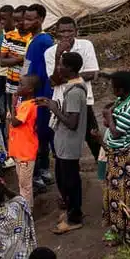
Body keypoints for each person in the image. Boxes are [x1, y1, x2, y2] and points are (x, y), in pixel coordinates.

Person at [37, 51, 87, 235]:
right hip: (65, 143)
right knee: (66, 179)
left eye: (61, 64)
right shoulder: (74, 87)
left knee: (70, 181)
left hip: (69, 144)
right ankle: (71, 212)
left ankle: (74, 218)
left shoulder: (74, 92)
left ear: (70, 68)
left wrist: (54, 109)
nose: (58, 68)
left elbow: (72, 123)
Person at [44, 17, 101, 160]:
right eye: (63, 31)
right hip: (61, 101)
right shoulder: (50, 52)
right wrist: (58, 56)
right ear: (57, 33)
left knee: (93, 137)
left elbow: (93, 73)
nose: (66, 34)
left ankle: (104, 171)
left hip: (83, 100)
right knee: (64, 140)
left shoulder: (86, 45)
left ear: (76, 31)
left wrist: (62, 78)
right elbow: (53, 82)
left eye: (70, 30)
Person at [101, 71, 130, 245]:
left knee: (121, 194)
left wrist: (109, 117)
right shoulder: (125, 99)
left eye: (113, 88)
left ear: (120, 89)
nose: (112, 91)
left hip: (124, 157)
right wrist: (110, 118)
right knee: (115, 192)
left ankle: (123, 232)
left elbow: (117, 132)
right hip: (117, 155)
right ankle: (119, 229)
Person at [21, 6, 55, 190]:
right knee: (38, 133)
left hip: (39, 94)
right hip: (33, 92)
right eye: (25, 19)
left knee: (39, 133)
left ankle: (40, 171)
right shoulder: (33, 41)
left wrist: (29, 91)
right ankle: (42, 170)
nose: (26, 23)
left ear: (41, 19)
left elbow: (43, 71)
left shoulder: (44, 41)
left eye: (30, 19)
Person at [0, 8, 36, 148]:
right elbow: (2, 61)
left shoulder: (32, 38)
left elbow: (30, 61)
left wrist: (13, 58)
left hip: (27, 88)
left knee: (26, 119)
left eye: (20, 20)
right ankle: (14, 148)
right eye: (15, 20)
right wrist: (21, 58)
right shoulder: (9, 36)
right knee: (12, 116)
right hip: (11, 86)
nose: (18, 23)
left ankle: (27, 148)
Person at [9, 75, 40, 208]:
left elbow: (15, 122)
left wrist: (12, 104)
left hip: (25, 152)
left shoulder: (29, 105)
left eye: (21, 84)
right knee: (22, 184)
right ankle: (25, 209)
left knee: (25, 185)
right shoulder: (24, 104)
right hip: (20, 150)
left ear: (30, 90)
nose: (18, 87)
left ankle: (27, 211)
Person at [0, 6, 16, 127]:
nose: (1, 22)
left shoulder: (18, 34)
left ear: (13, 18)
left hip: (12, 74)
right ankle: (2, 133)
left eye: (4, 19)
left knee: (12, 105)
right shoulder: (0, 32)